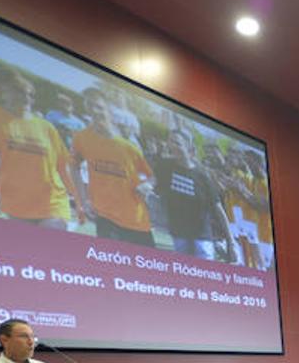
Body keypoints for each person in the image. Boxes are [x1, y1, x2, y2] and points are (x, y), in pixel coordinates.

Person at [0, 70, 77, 228]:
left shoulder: (46, 127)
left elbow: (62, 166)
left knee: (49, 241)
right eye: (19, 92)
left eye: (30, 94)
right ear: (4, 92)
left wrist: (79, 199)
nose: (26, 98)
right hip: (15, 198)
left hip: (52, 199)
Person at [72, 87, 156, 246]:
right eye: (90, 107)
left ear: (109, 110)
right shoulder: (81, 138)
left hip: (137, 219)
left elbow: (152, 177)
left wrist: (147, 185)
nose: (95, 111)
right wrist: (83, 200)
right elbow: (74, 167)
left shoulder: (129, 146)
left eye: (99, 107)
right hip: (106, 217)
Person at [152, 127, 233, 258]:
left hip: (202, 237)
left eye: (177, 143)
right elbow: (153, 182)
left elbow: (219, 210)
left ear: (189, 148)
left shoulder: (202, 176)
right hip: (178, 234)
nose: (171, 146)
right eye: (170, 141)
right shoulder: (165, 166)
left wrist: (231, 242)